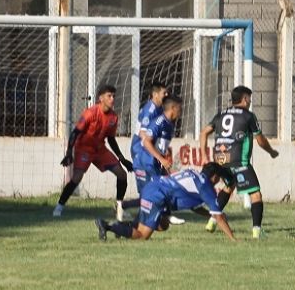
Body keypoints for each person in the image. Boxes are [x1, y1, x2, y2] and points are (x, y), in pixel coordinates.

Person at [199, 85, 279, 239]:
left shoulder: (221, 114)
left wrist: (204, 155)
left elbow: (204, 132)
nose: (250, 101)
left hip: (220, 159)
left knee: (229, 186)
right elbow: (260, 140)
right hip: (238, 161)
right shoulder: (248, 116)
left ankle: (212, 221)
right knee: (255, 193)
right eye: (249, 98)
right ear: (245, 99)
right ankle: (257, 231)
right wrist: (271, 151)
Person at [95, 163, 236, 242]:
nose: (219, 182)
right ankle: (108, 226)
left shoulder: (193, 173)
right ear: (215, 176)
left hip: (153, 188)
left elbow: (194, 207)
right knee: (142, 236)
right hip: (157, 197)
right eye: (219, 178)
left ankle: (123, 227)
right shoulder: (205, 185)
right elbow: (218, 216)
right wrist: (233, 240)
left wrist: (208, 215)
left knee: (163, 225)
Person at [53, 85, 133, 220]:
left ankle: (119, 208)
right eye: (109, 96)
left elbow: (111, 139)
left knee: (122, 174)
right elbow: (75, 133)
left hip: (100, 149)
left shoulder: (113, 117)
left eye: (113, 96)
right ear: (100, 98)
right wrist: (69, 153)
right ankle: (59, 207)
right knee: (77, 178)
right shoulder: (90, 113)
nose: (112, 98)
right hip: (84, 149)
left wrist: (122, 158)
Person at [124, 91, 185, 225]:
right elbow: (146, 141)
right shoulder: (159, 122)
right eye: (180, 108)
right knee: (153, 193)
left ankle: (125, 209)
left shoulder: (170, 124)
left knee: (157, 190)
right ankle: (163, 216)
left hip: (154, 163)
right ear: (173, 108)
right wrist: (161, 159)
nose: (181, 111)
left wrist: (163, 160)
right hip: (146, 162)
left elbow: (161, 145)